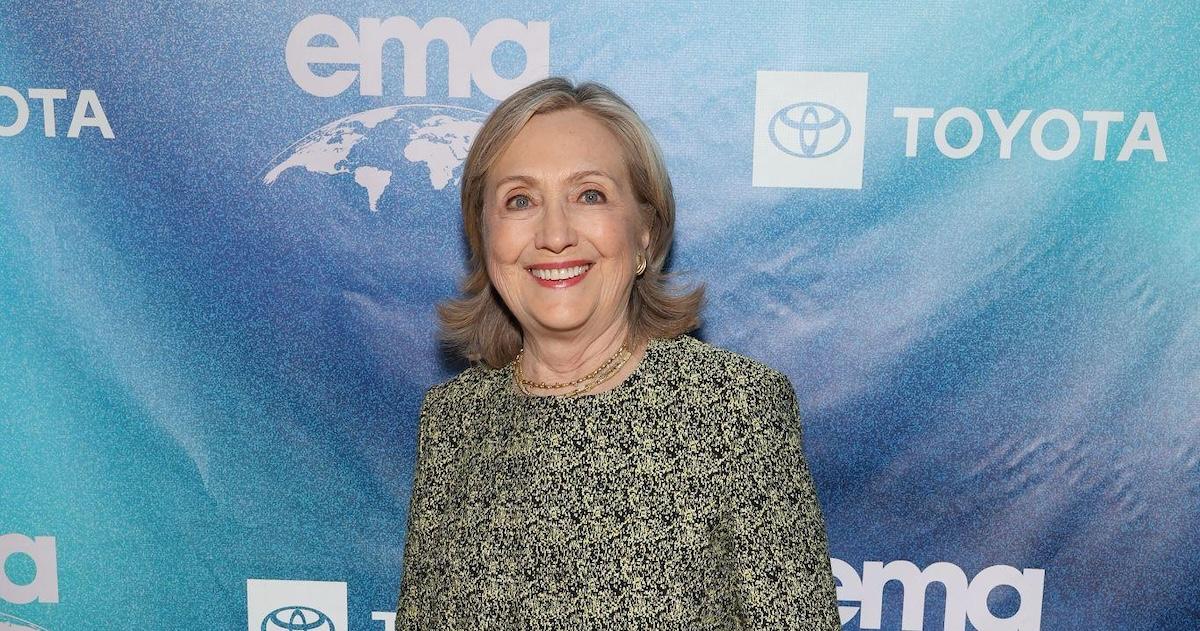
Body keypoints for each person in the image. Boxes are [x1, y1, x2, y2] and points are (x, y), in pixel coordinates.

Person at [394, 77, 840, 629]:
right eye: (520, 200)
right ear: (484, 236)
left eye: (589, 195)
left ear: (646, 233)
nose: (554, 234)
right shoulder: (452, 420)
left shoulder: (736, 409)